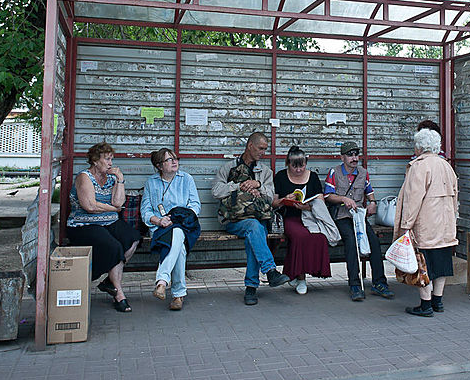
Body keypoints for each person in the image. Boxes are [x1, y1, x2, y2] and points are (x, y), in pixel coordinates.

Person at [211, 132, 290, 305]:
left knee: (254, 232)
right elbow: (216, 191)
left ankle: (252, 287)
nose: (263, 152)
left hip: (259, 217)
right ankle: (267, 273)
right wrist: (238, 186)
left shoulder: (265, 172)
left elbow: (271, 197)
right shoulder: (228, 168)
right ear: (250, 146)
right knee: (255, 229)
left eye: (265, 149)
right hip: (234, 220)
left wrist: (258, 185)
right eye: (261, 148)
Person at [67, 142, 142, 312]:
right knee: (113, 247)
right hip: (84, 224)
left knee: (132, 240)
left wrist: (120, 180)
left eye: (111, 159)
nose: (110, 163)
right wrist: (113, 209)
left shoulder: (111, 178)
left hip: (109, 221)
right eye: (107, 159)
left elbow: (119, 202)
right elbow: (90, 206)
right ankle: (119, 293)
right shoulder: (84, 177)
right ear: (95, 160)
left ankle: (109, 282)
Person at [394, 128, 459, 317]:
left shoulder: (419, 166)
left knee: (423, 264)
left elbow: (413, 200)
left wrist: (406, 226)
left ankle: (426, 305)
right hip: (445, 225)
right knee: (442, 263)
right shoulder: (446, 166)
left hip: (426, 226)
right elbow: (455, 196)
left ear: (419, 147)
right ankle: (438, 301)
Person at [324, 140, 394, 302]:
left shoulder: (363, 173)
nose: (354, 158)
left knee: (374, 241)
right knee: (351, 241)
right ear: (342, 157)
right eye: (350, 155)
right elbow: (327, 196)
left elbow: (369, 191)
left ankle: (379, 283)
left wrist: (373, 203)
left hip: (358, 216)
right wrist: (343, 199)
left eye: (356, 155)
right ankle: (355, 285)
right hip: (341, 216)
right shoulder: (334, 172)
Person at [272, 146, 338, 295]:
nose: (298, 170)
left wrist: (308, 207)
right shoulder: (281, 176)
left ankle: (295, 274)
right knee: (300, 237)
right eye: (294, 166)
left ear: (306, 163)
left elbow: (320, 201)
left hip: (310, 216)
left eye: (301, 166)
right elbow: (274, 203)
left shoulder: (312, 177)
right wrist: (285, 199)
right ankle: (300, 278)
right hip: (290, 217)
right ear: (288, 164)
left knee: (319, 237)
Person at [141, 148, 202, 311]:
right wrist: (159, 220)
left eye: (175, 158)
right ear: (159, 166)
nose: (175, 162)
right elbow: (145, 210)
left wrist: (181, 217)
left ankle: (162, 281)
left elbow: (195, 205)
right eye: (169, 160)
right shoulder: (151, 182)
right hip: (161, 227)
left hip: (186, 225)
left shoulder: (186, 179)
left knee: (177, 231)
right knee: (179, 247)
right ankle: (177, 295)